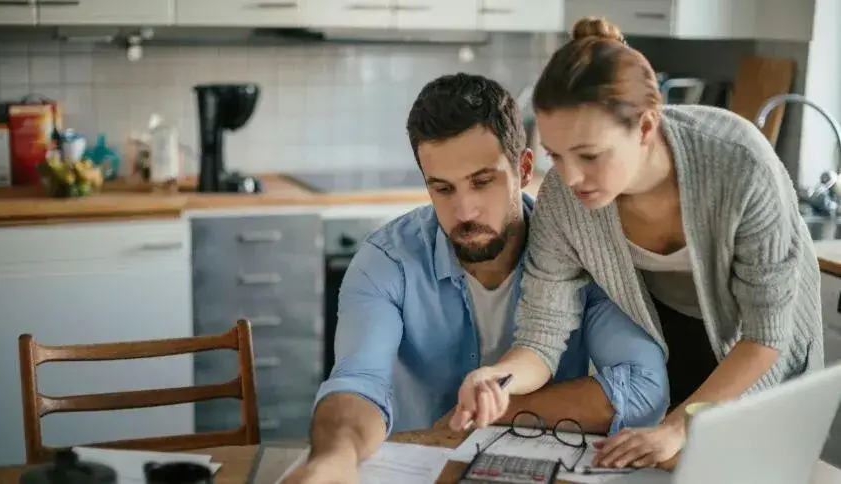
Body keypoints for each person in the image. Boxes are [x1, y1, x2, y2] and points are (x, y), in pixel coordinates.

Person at [453, 16, 825, 470]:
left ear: (646, 128)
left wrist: (678, 426)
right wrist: (499, 377)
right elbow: (543, 336)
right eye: (556, 155)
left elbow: (766, 335)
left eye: (589, 155)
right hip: (672, 339)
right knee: (667, 467)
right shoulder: (563, 201)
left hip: (757, 351)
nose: (570, 178)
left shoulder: (740, 165)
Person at [281, 73, 670, 484]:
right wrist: (334, 460)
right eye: (443, 188)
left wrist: (486, 414)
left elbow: (642, 389)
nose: (464, 210)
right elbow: (359, 383)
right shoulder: (386, 262)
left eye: (482, 182)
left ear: (522, 167)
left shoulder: (580, 254)